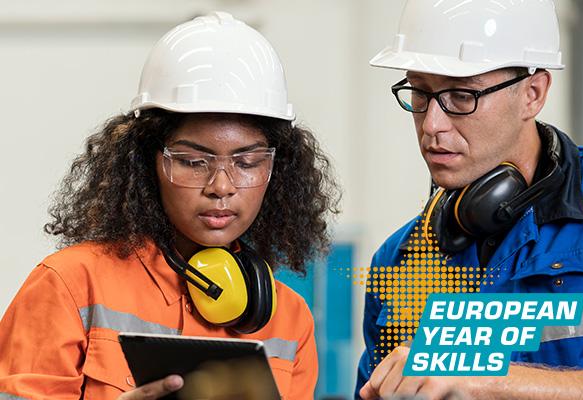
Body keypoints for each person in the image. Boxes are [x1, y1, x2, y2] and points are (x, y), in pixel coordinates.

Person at [0, 12, 339, 400]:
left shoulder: (290, 320)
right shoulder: (70, 284)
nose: (222, 186)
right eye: (193, 161)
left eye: (247, 162)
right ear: (149, 162)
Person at [356, 1, 583, 399]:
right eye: (419, 93)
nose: (432, 125)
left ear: (533, 94)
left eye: (462, 95)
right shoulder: (399, 261)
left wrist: (491, 383)